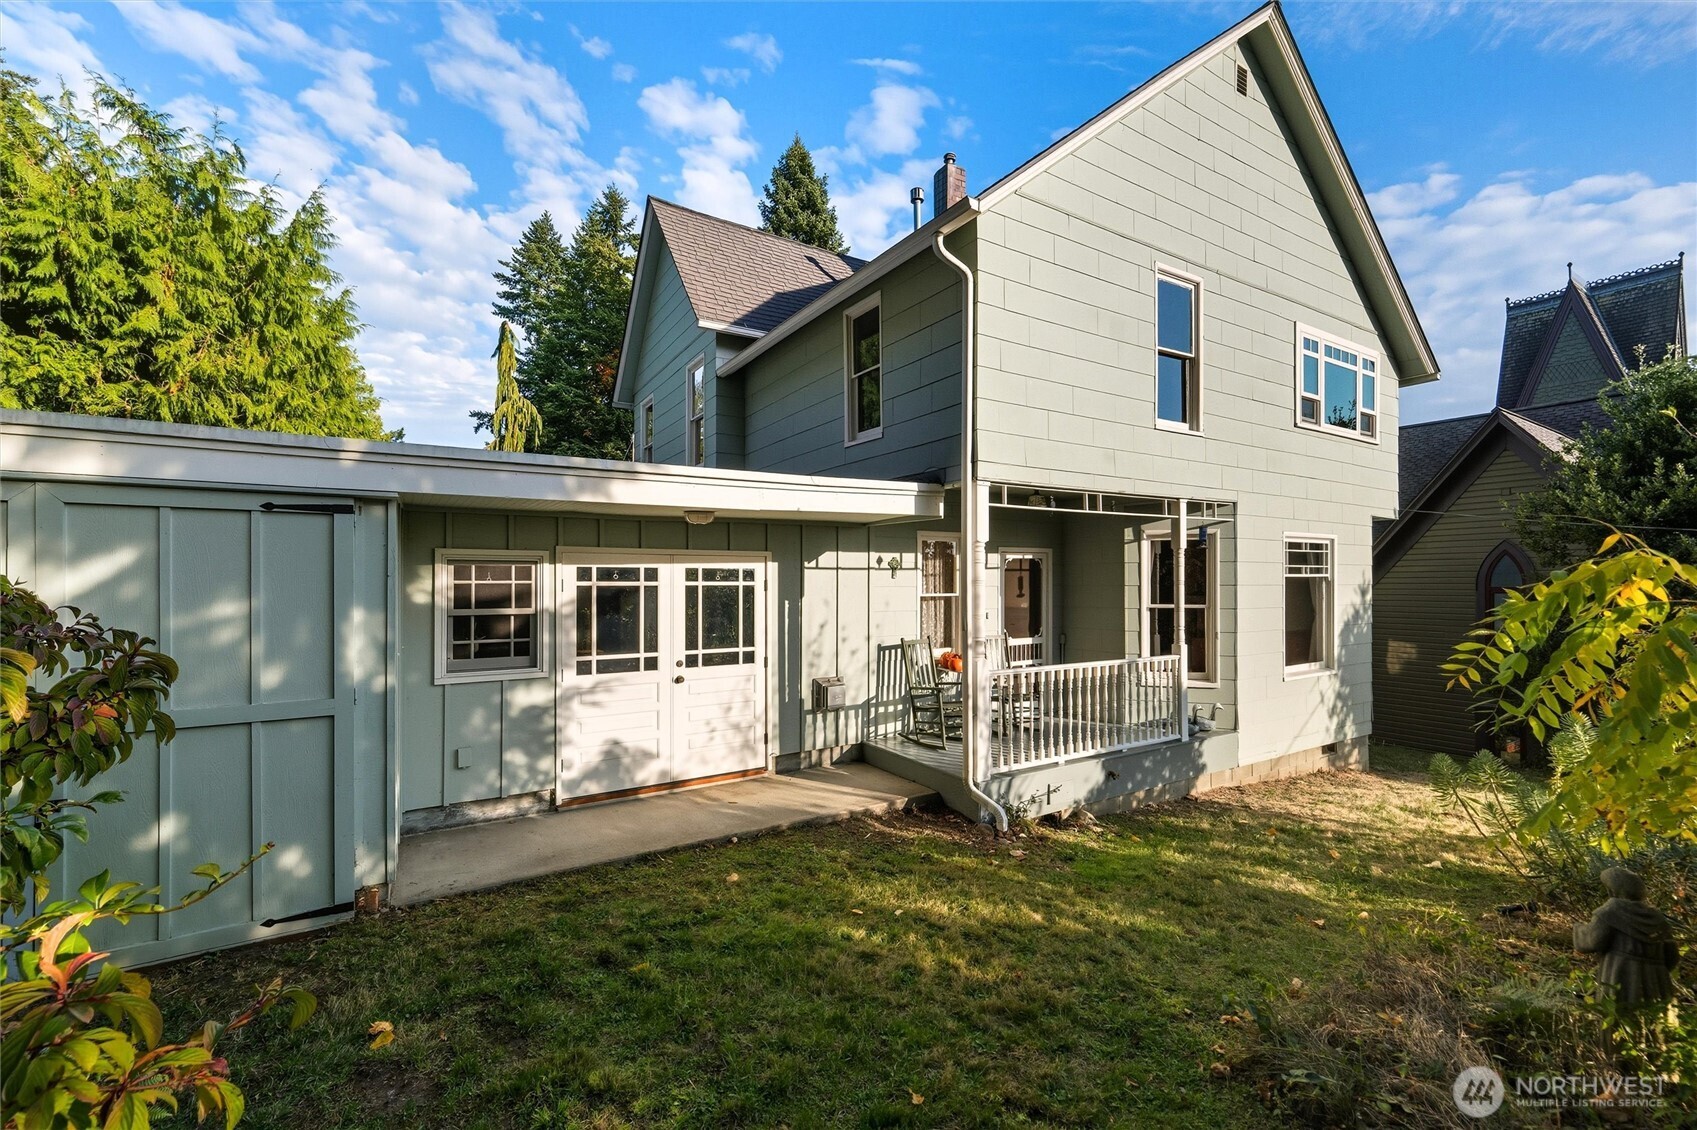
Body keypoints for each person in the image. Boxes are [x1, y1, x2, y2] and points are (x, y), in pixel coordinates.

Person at [1573, 868, 1681, 1006]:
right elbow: (1672, 957)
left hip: (1620, 976)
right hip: (1657, 984)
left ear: (1613, 890)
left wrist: (1578, 928)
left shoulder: (1610, 911)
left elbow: (1592, 941)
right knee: (1654, 1022)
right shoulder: (1657, 918)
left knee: (1620, 1020)